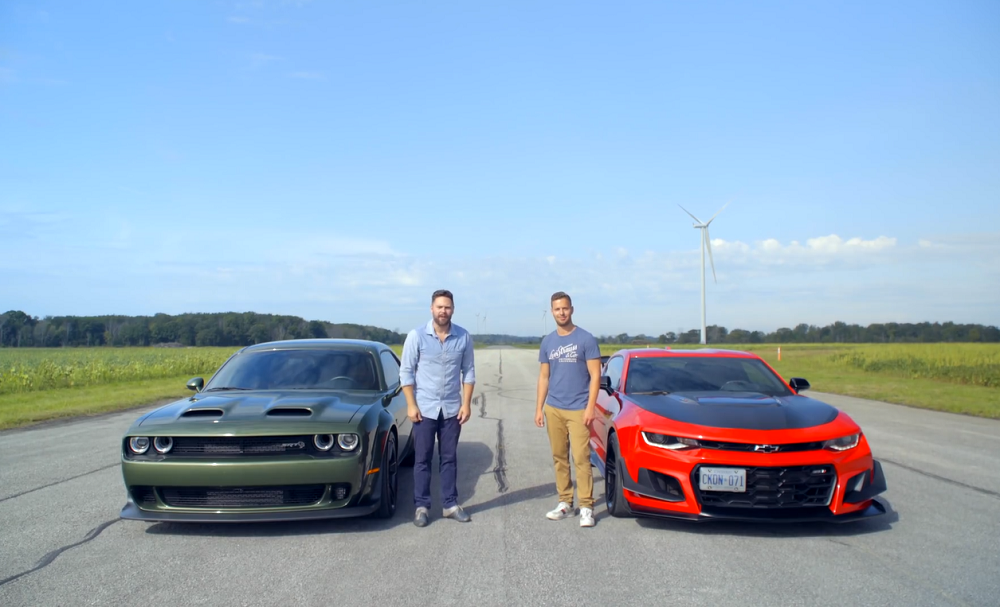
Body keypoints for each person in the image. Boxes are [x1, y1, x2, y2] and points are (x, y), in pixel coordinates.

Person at [400, 289, 476, 527]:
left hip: (452, 409)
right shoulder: (417, 336)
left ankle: (450, 505)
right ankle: (421, 507)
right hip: (424, 409)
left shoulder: (463, 337)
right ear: (431, 309)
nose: (444, 311)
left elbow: (469, 372)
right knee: (422, 459)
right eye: (439, 307)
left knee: (449, 459)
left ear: (453, 309)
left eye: (448, 307)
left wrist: (466, 404)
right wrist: (411, 405)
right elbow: (406, 372)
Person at [535, 291, 601, 528]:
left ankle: (586, 506)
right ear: (552, 311)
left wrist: (590, 407)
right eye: (556, 309)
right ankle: (565, 502)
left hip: (578, 408)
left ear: (571, 309)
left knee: (581, 458)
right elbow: (544, 377)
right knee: (559, 457)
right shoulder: (548, 342)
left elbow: (595, 376)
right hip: (554, 408)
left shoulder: (586, 339)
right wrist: (539, 408)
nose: (561, 313)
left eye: (565, 308)